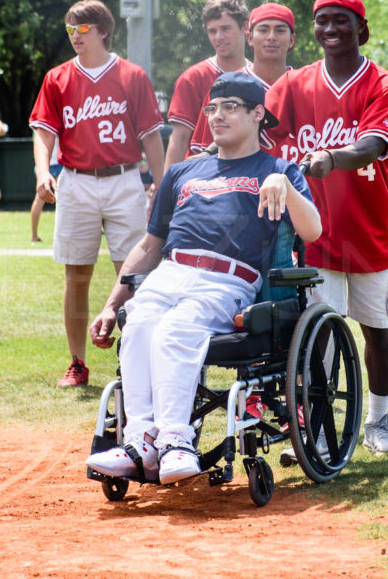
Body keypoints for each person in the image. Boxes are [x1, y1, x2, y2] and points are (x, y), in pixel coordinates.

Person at [86, 72, 322, 484]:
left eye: (230, 107)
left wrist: (284, 184)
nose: (217, 115)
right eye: (212, 107)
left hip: (227, 280)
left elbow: (314, 230)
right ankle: (140, 440)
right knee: (139, 323)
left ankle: (176, 441)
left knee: (176, 330)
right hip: (171, 270)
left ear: (256, 114)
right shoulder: (182, 174)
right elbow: (148, 246)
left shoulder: (278, 169)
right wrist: (111, 305)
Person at [263, 0, 388, 455]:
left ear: (361, 29)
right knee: (316, 336)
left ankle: (377, 422)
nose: (330, 28)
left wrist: (332, 156)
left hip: (370, 229)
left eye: (341, 20)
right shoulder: (293, 85)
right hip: (316, 234)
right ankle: (320, 432)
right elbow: (259, 127)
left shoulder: (384, 85)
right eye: (322, 20)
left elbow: (372, 145)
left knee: (378, 330)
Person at [29, 0, 166, 388]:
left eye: (83, 29)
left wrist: (164, 185)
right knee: (76, 274)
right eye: (70, 29)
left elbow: (150, 137)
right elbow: (44, 134)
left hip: (124, 179)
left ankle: (136, 361)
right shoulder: (57, 78)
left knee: (135, 273)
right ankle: (77, 362)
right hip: (75, 179)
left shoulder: (131, 75)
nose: (75, 36)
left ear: (103, 31)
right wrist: (43, 172)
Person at [188, 2, 297, 157]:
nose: (271, 37)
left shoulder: (305, 86)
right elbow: (203, 155)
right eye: (263, 30)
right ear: (249, 38)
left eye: (280, 30)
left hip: (299, 179)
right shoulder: (226, 86)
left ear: (292, 39)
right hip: (240, 180)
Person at [163, 0, 250, 168]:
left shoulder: (256, 78)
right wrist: (167, 188)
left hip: (249, 173)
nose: (218, 37)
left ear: (245, 28)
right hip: (202, 176)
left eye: (225, 28)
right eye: (212, 31)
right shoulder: (193, 78)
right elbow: (179, 139)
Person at [29, 141, 61, 243]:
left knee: (39, 199)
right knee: (66, 199)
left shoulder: (36, 126)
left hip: (44, 165)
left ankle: (34, 235)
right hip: (58, 163)